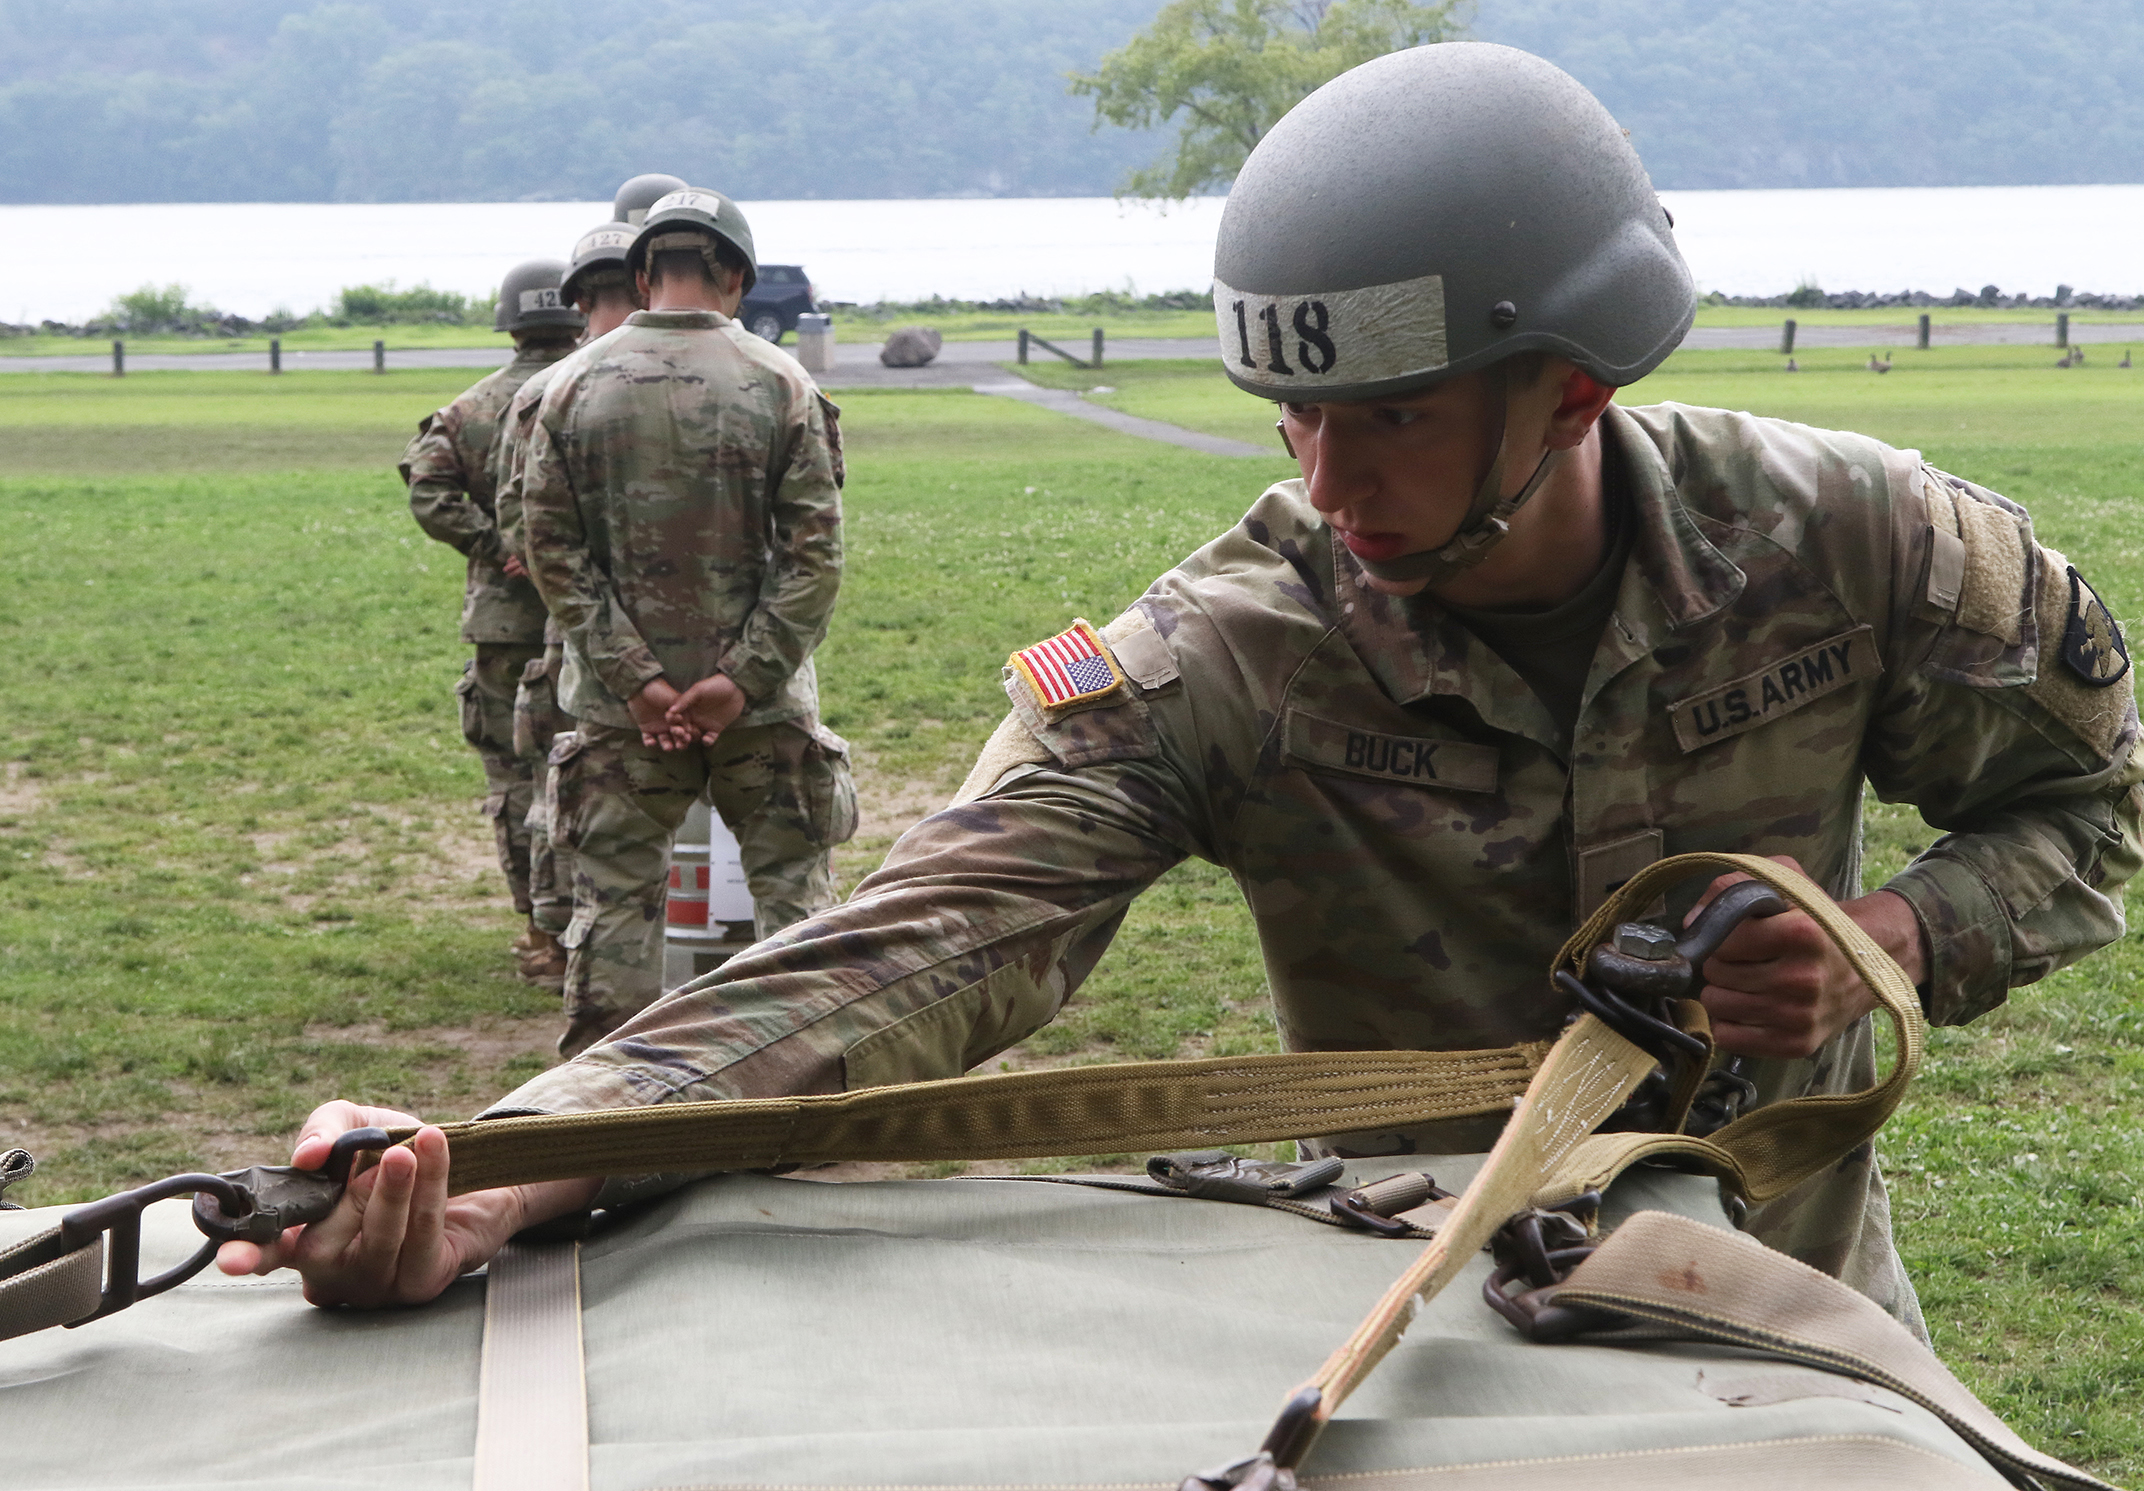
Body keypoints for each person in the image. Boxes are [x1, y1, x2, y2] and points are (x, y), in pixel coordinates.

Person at [226, 44, 2138, 1325]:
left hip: (1799, 1317)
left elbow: (2091, 799)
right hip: (1421, 1328)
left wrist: (1894, 936)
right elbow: (921, 942)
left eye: (1390, 418)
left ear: (1570, 392)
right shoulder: (1234, 644)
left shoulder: (1849, 545)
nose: (1328, 480)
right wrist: (509, 1166)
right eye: (1293, 415)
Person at [506, 185, 853, 1057]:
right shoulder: (783, 382)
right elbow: (814, 557)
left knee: (615, 913)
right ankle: (802, 1091)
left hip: (621, 713)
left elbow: (550, 551)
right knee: (795, 908)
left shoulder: (568, 386)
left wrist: (638, 680)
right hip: (763, 714)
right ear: (736, 276)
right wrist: (739, 682)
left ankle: (606, 1111)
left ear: (642, 275)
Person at [398, 259, 587, 976]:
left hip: (504, 624)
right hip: (591, 620)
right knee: (585, 772)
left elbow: (428, 491)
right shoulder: (590, 390)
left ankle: (539, 929)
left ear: (510, 325)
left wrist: (495, 544)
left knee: (515, 778)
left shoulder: (469, 408)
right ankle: (590, 926)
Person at [494, 220, 655, 986]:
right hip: (711, 651)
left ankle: (566, 948)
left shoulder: (545, 393)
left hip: (586, 644)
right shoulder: (737, 372)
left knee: (576, 800)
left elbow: (521, 524)